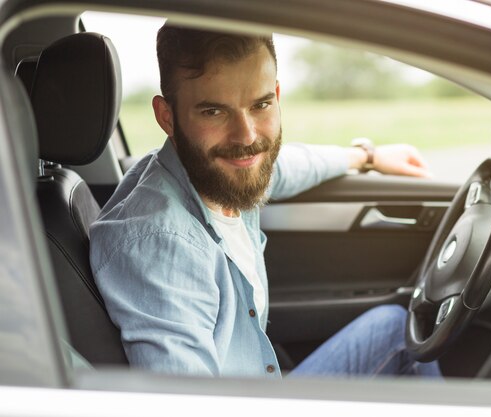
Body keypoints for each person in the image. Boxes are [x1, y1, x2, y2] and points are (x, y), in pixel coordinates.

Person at [90, 24, 439, 378]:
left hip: (261, 390)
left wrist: (366, 156)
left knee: (395, 328)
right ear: (167, 116)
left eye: (260, 105)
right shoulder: (160, 244)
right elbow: (185, 404)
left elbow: (284, 167)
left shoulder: (218, 172)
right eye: (214, 111)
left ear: (276, 94)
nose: (246, 136)